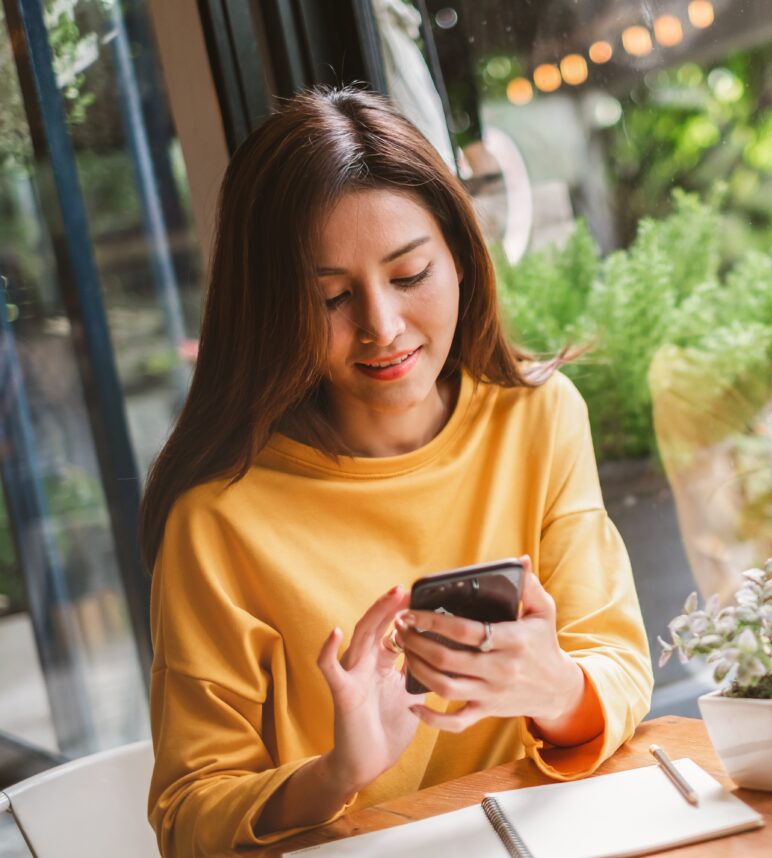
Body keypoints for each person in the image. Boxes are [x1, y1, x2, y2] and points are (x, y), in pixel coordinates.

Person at [142, 86, 653, 857]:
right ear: (272, 308)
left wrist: (553, 688)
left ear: (459, 257)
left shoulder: (538, 419)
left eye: (410, 275)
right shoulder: (219, 519)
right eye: (333, 298)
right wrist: (336, 772)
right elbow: (188, 814)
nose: (382, 327)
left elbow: (614, 661)